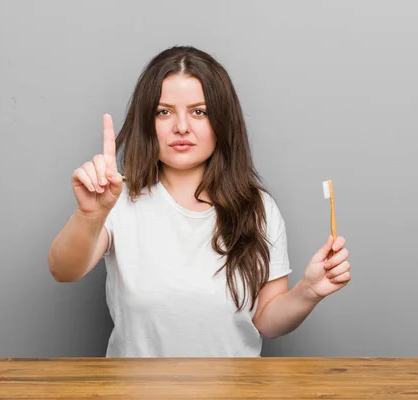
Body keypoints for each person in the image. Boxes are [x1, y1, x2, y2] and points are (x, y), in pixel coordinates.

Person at [47, 46, 351, 357]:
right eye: (163, 112)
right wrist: (90, 215)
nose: (181, 127)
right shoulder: (118, 200)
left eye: (199, 111)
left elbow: (265, 321)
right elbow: (63, 270)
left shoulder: (258, 207)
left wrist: (308, 292)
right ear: (147, 122)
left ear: (222, 121)